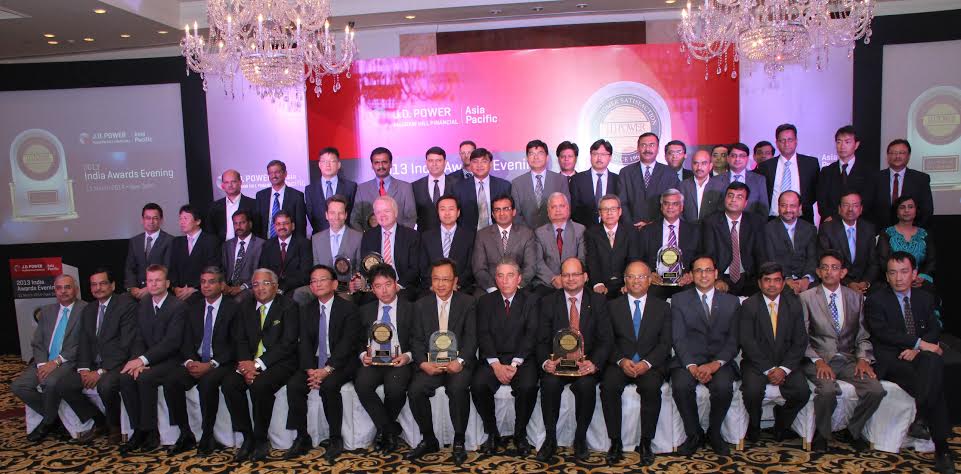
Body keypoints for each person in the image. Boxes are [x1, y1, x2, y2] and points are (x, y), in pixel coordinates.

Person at [865, 252, 955, 473]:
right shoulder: (876, 300)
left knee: (931, 363)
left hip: (918, 356)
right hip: (890, 359)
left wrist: (917, 349)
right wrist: (919, 344)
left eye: (904, 272)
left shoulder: (924, 298)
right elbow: (883, 333)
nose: (899, 278)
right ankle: (942, 447)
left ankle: (924, 419)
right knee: (932, 376)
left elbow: (934, 328)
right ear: (887, 276)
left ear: (914, 274)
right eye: (893, 273)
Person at [800, 250, 885, 453]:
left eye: (834, 268)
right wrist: (818, 361)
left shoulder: (856, 298)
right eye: (824, 267)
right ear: (818, 272)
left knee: (876, 390)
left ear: (843, 272)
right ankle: (822, 434)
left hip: (847, 359)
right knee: (827, 390)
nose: (829, 272)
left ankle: (853, 431)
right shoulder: (806, 298)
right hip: (818, 359)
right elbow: (801, 338)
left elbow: (863, 335)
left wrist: (863, 359)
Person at [536, 257, 613, 463]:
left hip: (585, 365)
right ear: (560, 278)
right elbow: (540, 340)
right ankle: (550, 439)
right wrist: (546, 362)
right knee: (549, 384)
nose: (570, 279)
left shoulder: (598, 301)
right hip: (557, 365)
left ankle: (580, 438)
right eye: (566, 275)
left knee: (586, 386)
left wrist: (594, 364)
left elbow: (606, 340)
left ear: (585, 277)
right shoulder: (548, 302)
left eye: (575, 274)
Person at [283, 265, 362, 462]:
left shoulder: (349, 309)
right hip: (314, 363)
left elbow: (347, 344)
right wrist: (311, 369)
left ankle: (335, 438)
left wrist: (327, 369)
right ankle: (302, 437)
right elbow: (304, 343)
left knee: (329, 386)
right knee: (294, 385)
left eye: (322, 279)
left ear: (334, 284)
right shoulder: (305, 310)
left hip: (341, 363)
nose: (317, 284)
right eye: (313, 281)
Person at [161, 266, 242, 456]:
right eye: (203, 282)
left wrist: (211, 364)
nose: (206, 286)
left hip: (222, 363)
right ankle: (185, 434)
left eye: (211, 282)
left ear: (222, 285)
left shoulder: (233, 308)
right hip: (196, 360)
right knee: (171, 381)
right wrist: (189, 361)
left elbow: (236, 344)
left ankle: (207, 435)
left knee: (207, 383)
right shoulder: (193, 307)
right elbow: (186, 340)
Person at [222, 268, 300, 462]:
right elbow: (239, 339)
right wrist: (245, 365)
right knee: (230, 385)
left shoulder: (289, 306)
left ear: (275, 286)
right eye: (255, 284)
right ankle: (247, 437)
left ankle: (261, 439)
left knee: (260, 385)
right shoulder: (245, 306)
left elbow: (288, 343)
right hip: (249, 361)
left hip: (280, 362)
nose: (260, 288)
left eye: (265, 283)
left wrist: (257, 365)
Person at [600, 261, 672, 467]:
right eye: (631, 276)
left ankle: (646, 442)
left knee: (651, 387)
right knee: (608, 387)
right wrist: (621, 361)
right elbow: (606, 341)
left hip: (651, 364)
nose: (636, 281)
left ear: (650, 280)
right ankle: (615, 442)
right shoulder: (612, 306)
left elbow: (666, 343)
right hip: (621, 362)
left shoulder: (663, 307)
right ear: (625, 280)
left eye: (641, 276)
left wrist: (647, 363)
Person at [406, 259, 477, 465]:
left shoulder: (468, 303)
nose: (441, 284)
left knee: (458, 388)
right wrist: (423, 364)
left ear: (455, 281)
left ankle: (459, 440)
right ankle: (429, 439)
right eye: (436, 279)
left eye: (446, 279)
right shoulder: (421, 305)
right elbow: (416, 339)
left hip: (458, 364)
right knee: (415, 390)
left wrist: (460, 361)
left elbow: (472, 337)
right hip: (432, 364)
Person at [56, 269, 137, 445]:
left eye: (102, 283)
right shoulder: (89, 309)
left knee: (106, 385)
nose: (98, 288)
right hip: (93, 364)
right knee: (63, 384)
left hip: (118, 364)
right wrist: (84, 368)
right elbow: (84, 342)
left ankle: (114, 427)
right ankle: (100, 421)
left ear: (112, 285)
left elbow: (126, 345)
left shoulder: (126, 306)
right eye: (94, 284)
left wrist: (101, 371)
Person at [671, 256, 740, 456]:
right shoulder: (679, 300)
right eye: (698, 271)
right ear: (691, 275)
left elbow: (734, 340)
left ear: (716, 273)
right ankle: (694, 434)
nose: (703, 275)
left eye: (708, 270)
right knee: (681, 386)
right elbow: (678, 338)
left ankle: (714, 433)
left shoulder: (731, 301)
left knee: (723, 387)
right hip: (688, 360)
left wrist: (715, 364)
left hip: (719, 361)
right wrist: (691, 365)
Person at [471, 257, 539, 456]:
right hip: (494, 358)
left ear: (519, 278)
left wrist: (515, 364)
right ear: (495, 279)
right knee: (478, 385)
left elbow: (531, 334)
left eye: (510, 275)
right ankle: (492, 433)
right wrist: (496, 365)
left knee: (528, 386)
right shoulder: (485, 301)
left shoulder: (531, 300)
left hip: (522, 359)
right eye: (500, 276)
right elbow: (483, 334)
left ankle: (520, 434)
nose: (505, 280)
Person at [738, 262, 811, 444]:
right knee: (752, 391)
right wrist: (769, 369)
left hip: (786, 362)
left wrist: (783, 369)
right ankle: (754, 426)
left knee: (802, 392)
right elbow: (747, 342)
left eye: (777, 280)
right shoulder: (749, 305)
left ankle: (781, 425)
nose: (772, 285)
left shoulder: (794, 304)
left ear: (783, 283)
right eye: (767, 280)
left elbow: (800, 341)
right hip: (757, 363)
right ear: (759, 283)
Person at [119, 264, 187, 455]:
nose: (154, 284)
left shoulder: (178, 306)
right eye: (150, 280)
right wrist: (138, 361)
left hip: (172, 360)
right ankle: (138, 430)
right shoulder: (143, 304)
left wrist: (143, 360)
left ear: (167, 283)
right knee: (125, 377)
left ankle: (151, 432)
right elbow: (139, 338)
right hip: (149, 359)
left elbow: (172, 343)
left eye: (158, 280)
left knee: (145, 378)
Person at [14, 274, 86, 442]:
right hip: (44, 361)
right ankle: (54, 418)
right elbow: (37, 342)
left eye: (67, 287)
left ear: (76, 289)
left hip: (68, 362)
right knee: (19, 386)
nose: (63, 291)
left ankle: (46, 423)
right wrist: (41, 364)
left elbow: (84, 343)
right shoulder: (47, 311)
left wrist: (56, 361)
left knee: (51, 382)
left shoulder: (86, 310)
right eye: (59, 288)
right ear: (55, 291)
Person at [353, 264, 416, 454]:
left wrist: (408, 356)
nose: (384, 290)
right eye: (378, 286)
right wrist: (363, 355)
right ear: (372, 289)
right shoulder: (365, 310)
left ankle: (383, 432)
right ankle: (389, 429)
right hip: (373, 362)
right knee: (362, 385)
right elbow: (357, 340)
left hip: (400, 361)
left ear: (395, 284)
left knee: (395, 388)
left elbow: (418, 338)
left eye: (388, 284)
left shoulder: (411, 308)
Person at [701, 182, 768, 296]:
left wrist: (763, 278)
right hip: (722, 277)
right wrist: (716, 279)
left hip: (749, 277)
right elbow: (708, 254)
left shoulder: (755, 222)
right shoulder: (711, 222)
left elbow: (761, 254)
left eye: (739, 197)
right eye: (730, 195)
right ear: (725, 199)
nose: (733, 200)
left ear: (745, 203)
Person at [633, 188, 700, 300]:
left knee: (691, 298)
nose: (670, 207)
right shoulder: (647, 231)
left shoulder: (694, 231)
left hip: (684, 281)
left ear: (681, 207)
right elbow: (638, 257)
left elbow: (700, 257)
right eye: (666, 203)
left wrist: (692, 274)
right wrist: (648, 274)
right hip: (656, 281)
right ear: (661, 207)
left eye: (675, 204)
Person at [472, 195, 539, 295]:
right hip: (490, 287)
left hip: (519, 286)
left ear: (514, 212)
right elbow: (479, 268)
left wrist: (516, 287)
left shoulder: (527, 234)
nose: (502, 213)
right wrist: (493, 289)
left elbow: (530, 267)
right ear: (493, 214)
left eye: (506, 209)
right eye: (497, 210)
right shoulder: (482, 235)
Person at [360, 195, 422, 300]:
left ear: (396, 213)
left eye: (387, 211)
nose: (382, 215)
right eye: (378, 212)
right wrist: (375, 286)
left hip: (403, 287)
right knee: (366, 302)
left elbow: (415, 268)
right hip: (376, 289)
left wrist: (397, 286)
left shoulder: (412, 236)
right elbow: (365, 266)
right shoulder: (368, 236)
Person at [817, 191, 879, 295]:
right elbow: (824, 262)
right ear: (839, 209)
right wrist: (848, 283)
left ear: (861, 209)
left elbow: (873, 262)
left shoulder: (869, 228)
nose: (850, 209)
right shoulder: (827, 229)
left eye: (855, 205)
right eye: (846, 205)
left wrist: (865, 283)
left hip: (864, 285)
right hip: (837, 283)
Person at [756, 124, 820, 223]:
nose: (786, 144)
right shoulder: (766, 166)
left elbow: (816, 191)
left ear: (796, 141)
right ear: (777, 143)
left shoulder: (811, 163)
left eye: (790, 140)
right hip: (772, 220)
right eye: (782, 140)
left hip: (803, 219)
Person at [618, 132, 680, 229]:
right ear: (638, 148)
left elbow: (674, 204)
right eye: (643, 145)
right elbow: (622, 203)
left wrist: (653, 224)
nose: (647, 149)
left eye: (652, 145)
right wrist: (631, 225)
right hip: (632, 229)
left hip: (659, 229)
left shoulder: (669, 173)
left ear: (658, 148)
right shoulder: (625, 173)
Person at [817, 126, 875, 224]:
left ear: (856, 145)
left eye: (847, 142)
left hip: (858, 224)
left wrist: (851, 218)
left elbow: (868, 201)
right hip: (831, 224)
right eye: (839, 142)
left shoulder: (868, 172)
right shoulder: (827, 171)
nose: (842, 146)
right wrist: (833, 218)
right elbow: (822, 202)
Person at [877, 195, 936, 291]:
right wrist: (903, 278)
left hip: (919, 281)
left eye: (910, 207)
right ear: (896, 212)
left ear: (916, 211)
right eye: (902, 207)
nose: (907, 210)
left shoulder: (924, 234)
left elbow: (931, 261)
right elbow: (883, 262)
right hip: (894, 281)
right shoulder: (886, 233)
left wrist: (921, 277)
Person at [419, 195, 476, 295]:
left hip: (460, 289)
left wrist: (456, 284)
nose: (447, 213)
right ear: (438, 212)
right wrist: (434, 284)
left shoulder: (470, 236)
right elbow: (423, 267)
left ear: (458, 213)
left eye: (451, 209)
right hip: (432, 289)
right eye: (442, 209)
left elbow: (471, 267)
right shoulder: (426, 237)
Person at [351, 147, 417, 232]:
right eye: (377, 163)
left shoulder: (405, 187)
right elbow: (355, 220)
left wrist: (400, 236)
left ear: (391, 164)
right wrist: (365, 238)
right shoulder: (361, 189)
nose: (381, 166)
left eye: (384, 162)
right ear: (372, 165)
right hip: (371, 238)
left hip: (399, 238)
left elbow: (411, 217)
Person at [873, 139, 934, 230]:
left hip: (912, 232)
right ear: (888, 156)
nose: (897, 156)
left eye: (901, 153)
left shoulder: (921, 179)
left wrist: (912, 231)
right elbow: (868, 209)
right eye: (893, 153)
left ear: (908, 156)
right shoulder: (875, 178)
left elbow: (927, 210)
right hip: (881, 232)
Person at [764, 191, 817, 295]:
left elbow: (813, 257)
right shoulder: (767, 229)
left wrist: (806, 278)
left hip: (807, 281)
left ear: (799, 208)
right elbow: (771, 258)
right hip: (780, 280)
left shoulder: (810, 229)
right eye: (783, 205)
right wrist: (787, 279)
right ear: (778, 207)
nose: (788, 210)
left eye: (792, 206)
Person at [533, 193, 587, 294]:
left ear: (568, 209)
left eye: (561, 206)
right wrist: (553, 279)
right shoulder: (539, 233)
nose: (558, 210)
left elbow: (582, 259)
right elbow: (538, 262)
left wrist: (567, 278)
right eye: (553, 207)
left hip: (574, 282)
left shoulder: (580, 230)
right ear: (548, 212)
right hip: (547, 283)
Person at [309, 195, 363, 294]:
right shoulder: (316, 239)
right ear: (326, 215)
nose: (336, 217)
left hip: (347, 289)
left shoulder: (358, 237)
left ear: (346, 215)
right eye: (332, 213)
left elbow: (359, 268)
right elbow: (316, 268)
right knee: (300, 294)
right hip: (322, 289)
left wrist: (355, 282)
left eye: (340, 213)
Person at [512, 139, 570, 229]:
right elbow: (516, 214)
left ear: (547, 157)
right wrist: (526, 233)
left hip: (553, 233)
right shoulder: (517, 183)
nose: (536, 157)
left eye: (540, 153)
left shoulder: (560, 180)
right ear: (527, 158)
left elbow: (566, 209)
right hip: (527, 234)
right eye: (531, 154)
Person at [169, 204, 221, 302]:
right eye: (180, 218)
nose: (182, 222)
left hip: (201, 291)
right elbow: (172, 269)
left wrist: (194, 289)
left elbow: (213, 268)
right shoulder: (177, 242)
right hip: (178, 292)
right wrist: (175, 288)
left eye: (185, 218)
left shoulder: (211, 241)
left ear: (198, 221)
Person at [585, 194, 632, 299]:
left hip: (624, 282)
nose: (609, 213)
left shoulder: (631, 231)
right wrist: (598, 283)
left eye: (613, 209)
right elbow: (592, 260)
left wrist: (629, 282)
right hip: (602, 283)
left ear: (620, 211)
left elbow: (633, 259)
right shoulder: (591, 233)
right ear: (600, 213)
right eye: (605, 209)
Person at [453, 147, 511, 230]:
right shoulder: (459, 188)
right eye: (475, 161)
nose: (479, 165)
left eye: (484, 161)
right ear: (470, 165)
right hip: (468, 234)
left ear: (491, 164)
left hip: (497, 233)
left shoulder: (504, 186)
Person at [705, 142, 770, 217]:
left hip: (751, 223)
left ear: (747, 158)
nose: (737, 159)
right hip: (721, 223)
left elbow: (764, 210)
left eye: (741, 156)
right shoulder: (715, 180)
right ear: (728, 158)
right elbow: (711, 209)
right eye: (733, 156)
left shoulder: (759, 180)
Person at [124, 203, 173, 300]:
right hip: (136, 292)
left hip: (159, 291)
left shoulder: (170, 241)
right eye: (148, 218)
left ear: (161, 220)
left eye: (155, 218)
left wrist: (149, 288)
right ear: (142, 220)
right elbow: (129, 268)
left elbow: (167, 268)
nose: (151, 221)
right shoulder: (135, 241)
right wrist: (132, 287)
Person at [258, 210, 312, 295]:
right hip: (272, 287)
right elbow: (264, 270)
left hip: (295, 288)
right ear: (274, 227)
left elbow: (305, 274)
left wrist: (282, 287)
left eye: (285, 223)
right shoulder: (267, 245)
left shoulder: (304, 244)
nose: (282, 227)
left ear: (293, 226)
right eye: (278, 224)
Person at [305, 147, 357, 233]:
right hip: (319, 236)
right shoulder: (310, 189)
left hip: (345, 235)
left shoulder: (350, 187)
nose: (328, 165)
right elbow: (311, 215)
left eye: (332, 161)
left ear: (338, 165)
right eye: (324, 161)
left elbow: (352, 214)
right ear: (319, 165)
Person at [570, 139, 620, 227]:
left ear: (610, 157)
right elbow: (574, 209)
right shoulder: (577, 180)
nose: (599, 158)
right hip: (584, 230)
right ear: (590, 156)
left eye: (603, 154)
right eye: (595, 154)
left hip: (611, 229)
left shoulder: (618, 180)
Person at [255, 159, 307, 239]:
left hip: (289, 243)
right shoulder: (260, 196)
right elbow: (258, 224)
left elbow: (301, 225)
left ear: (285, 174)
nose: (274, 175)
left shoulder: (297, 196)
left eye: (277, 172)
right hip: (265, 242)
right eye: (271, 173)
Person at [222, 209, 266, 302]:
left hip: (249, 286)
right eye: (235, 223)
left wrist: (242, 287)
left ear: (250, 224)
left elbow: (262, 272)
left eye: (242, 223)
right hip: (228, 286)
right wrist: (223, 285)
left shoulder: (261, 244)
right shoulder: (227, 245)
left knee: (238, 300)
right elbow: (223, 268)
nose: (238, 226)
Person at [412, 146, 456, 232]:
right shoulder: (415, 186)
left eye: (438, 160)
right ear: (426, 163)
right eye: (430, 161)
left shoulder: (457, 184)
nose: (434, 164)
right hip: (424, 236)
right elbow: (412, 215)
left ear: (445, 162)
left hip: (452, 235)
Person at [206, 169, 258, 241]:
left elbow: (257, 229)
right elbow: (210, 231)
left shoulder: (253, 204)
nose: (230, 185)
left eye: (233, 181)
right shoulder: (214, 206)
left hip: (246, 245)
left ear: (240, 183)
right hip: (221, 245)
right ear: (223, 185)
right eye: (226, 182)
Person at [678, 150, 721, 223]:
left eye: (703, 163)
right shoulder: (682, 186)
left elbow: (721, 213)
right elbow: (678, 211)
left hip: (712, 228)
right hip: (688, 228)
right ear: (691, 165)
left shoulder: (719, 187)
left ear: (710, 166)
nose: (699, 167)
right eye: (695, 163)